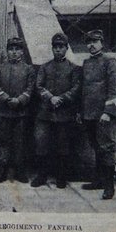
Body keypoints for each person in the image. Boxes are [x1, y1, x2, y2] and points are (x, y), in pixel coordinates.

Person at [32, 33, 80, 189]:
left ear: (66, 48)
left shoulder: (73, 68)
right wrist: (50, 97)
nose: (58, 50)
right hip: (44, 113)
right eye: (55, 47)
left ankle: (61, 177)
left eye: (61, 47)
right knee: (41, 144)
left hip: (64, 114)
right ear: (52, 48)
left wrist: (62, 98)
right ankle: (41, 176)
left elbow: (76, 88)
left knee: (63, 146)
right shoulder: (45, 67)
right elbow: (38, 86)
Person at [80, 29, 116, 200]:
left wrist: (108, 112)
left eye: (95, 41)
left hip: (103, 115)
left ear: (102, 43)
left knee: (106, 147)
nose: (91, 45)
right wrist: (81, 111)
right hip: (89, 114)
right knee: (96, 147)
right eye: (88, 42)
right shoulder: (87, 63)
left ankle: (109, 186)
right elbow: (84, 90)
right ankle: (98, 180)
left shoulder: (110, 62)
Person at [0, 37, 35, 184]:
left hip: (20, 112)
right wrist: (6, 99)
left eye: (17, 49)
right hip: (2, 112)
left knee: (19, 142)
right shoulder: (0, 67)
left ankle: (19, 171)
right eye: (11, 49)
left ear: (22, 52)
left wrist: (20, 100)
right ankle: (2, 170)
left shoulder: (28, 69)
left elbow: (30, 88)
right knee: (2, 142)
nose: (14, 52)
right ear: (7, 51)